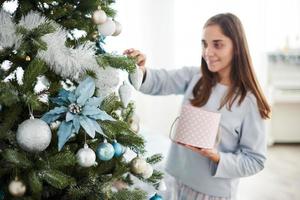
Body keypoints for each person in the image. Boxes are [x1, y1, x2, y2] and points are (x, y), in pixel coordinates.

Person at [124, 13, 271, 200]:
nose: (208, 52)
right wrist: (140, 70)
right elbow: (158, 81)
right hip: (173, 181)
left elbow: (255, 160)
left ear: (236, 47)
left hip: (211, 193)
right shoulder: (195, 77)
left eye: (217, 44)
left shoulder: (248, 102)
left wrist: (217, 157)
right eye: (204, 44)